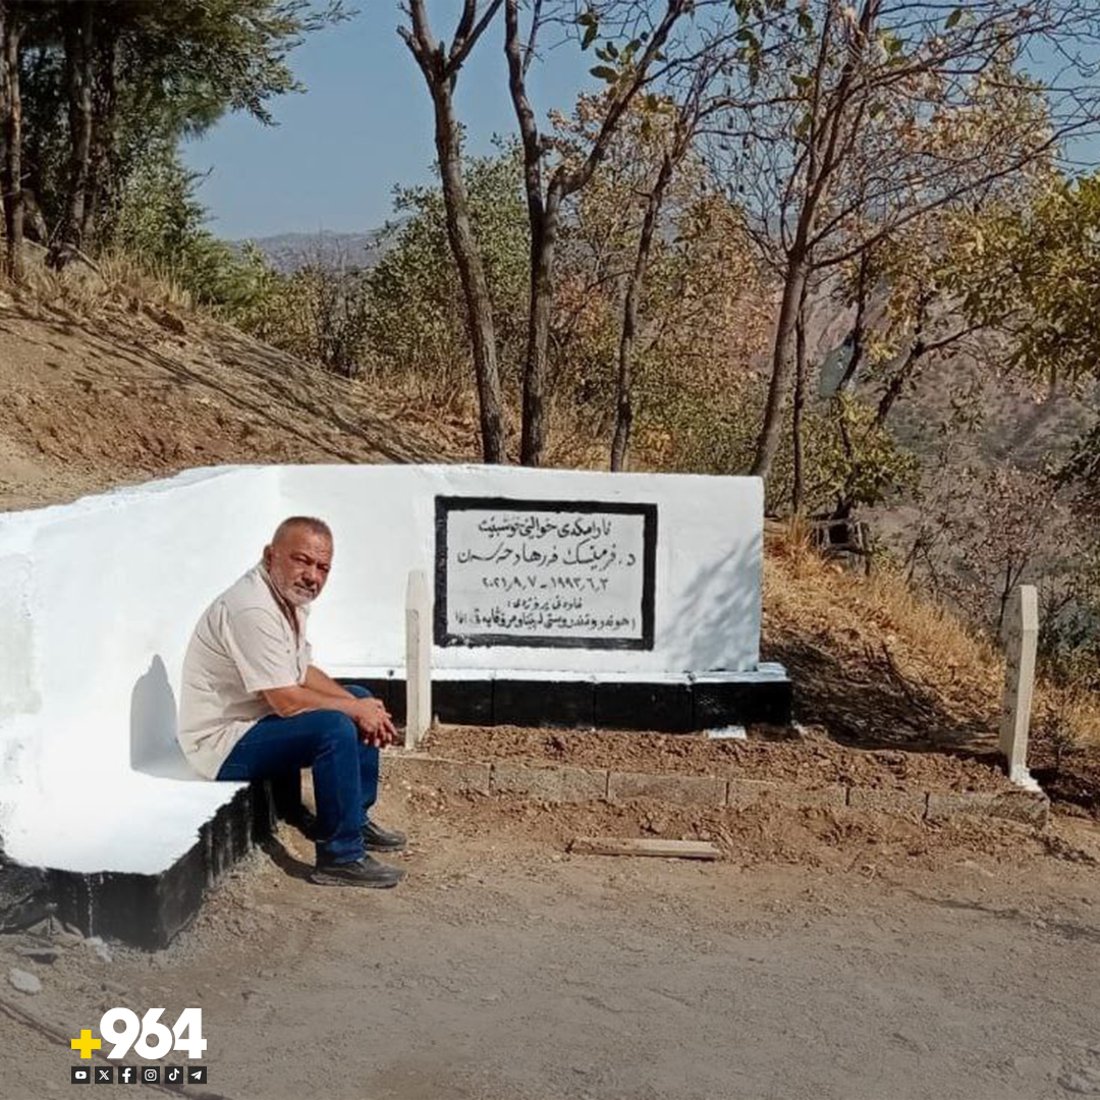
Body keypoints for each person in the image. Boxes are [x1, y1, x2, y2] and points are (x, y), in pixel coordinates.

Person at [177, 516, 406, 888]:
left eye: (322, 567)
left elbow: (300, 671)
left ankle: (353, 820)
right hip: (219, 745)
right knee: (334, 726)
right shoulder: (251, 609)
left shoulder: (286, 597)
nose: (312, 575)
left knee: (362, 697)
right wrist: (352, 711)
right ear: (271, 556)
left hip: (255, 723)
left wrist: (364, 706)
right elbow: (285, 700)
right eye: (301, 560)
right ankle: (340, 858)